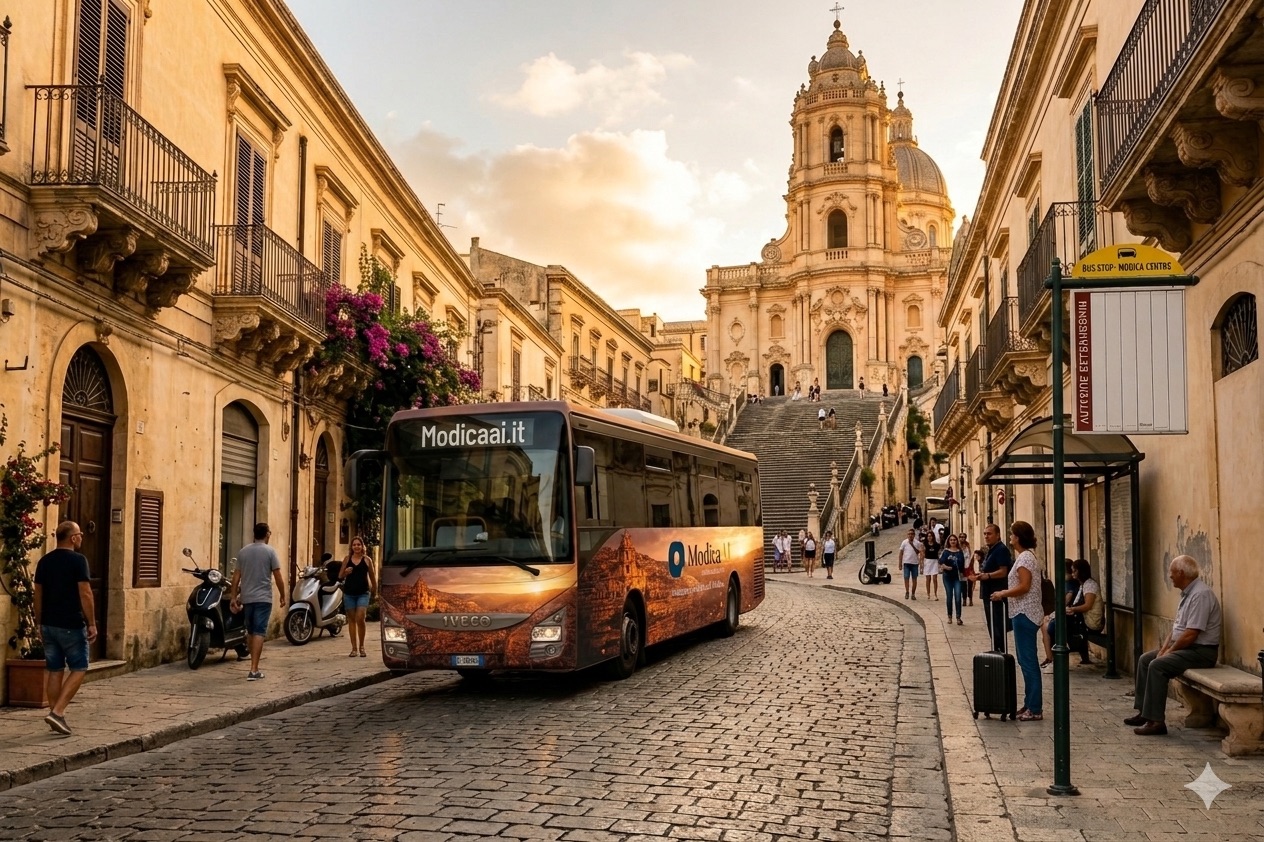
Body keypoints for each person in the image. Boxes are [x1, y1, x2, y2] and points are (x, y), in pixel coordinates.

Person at [1126, 555, 1220, 736]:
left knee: (1157, 665)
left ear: (1181, 573)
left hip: (1201, 652)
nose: (1169, 575)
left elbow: (1192, 634)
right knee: (1146, 659)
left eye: (1171, 572)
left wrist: (1168, 653)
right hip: (1187, 648)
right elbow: (1177, 628)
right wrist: (1163, 649)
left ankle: (1156, 722)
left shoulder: (1200, 595)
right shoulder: (1188, 593)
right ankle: (1144, 713)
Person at [32, 521, 97, 736]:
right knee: (79, 667)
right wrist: (92, 623)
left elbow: (38, 595)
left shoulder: (44, 561)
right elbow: (85, 593)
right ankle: (58, 712)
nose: (81, 538)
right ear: (73, 538)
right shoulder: (78, 561)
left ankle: (55, 715)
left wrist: (39, 623)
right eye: (80, 534)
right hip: (70, 624)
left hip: (49, 624)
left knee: (55, 669)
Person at [990, 521, 1044, 721]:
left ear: (1019, 537)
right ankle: (1029, 703)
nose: (1010, 537)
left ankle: (1035, 707)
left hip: (1025, 613)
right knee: (1024, 660)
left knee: (1028, 662)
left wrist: (1003, 593)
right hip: (1022, 612)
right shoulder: (1025, 557)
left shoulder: (1025, 559)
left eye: (1012, 534)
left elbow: (1024, 586)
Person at [229, 522, 287, 681]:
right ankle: (254, 669)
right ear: (267, 534)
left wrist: (234, 597)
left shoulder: (243, 552)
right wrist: (282, 595)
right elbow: (278, 576)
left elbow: (236, 578)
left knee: (251, 630)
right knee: (259, 631)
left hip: (247, 598)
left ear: (254, 534)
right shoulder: (270, 552)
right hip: (263, 598)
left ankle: (252, 665)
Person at [1042, 558, 1103, 669]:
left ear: (1081, 571)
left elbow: (1088, 605)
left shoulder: (1090, 585)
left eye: (1074, 571)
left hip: (1090, 621)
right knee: (1053, 624)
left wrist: (1073, 610)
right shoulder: (1083, 584)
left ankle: (1054, 659)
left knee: (1053, 627)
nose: (1072, 573)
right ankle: (1053, 658)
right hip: (1082, 618)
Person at [969, 523, 1012, 651]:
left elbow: (1003, 571)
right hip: (989, 594)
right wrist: (980, 576)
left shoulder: (1001, 549)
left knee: (997, 627)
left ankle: (1000, 653)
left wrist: (987, 576)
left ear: (997, 535)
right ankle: (996, 651)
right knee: (993, 627)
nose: (986, 536)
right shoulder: (992, 549)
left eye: (989, 534)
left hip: (996, 595)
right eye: (985, 534)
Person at [338, 535, 377, 658]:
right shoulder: (347, 559)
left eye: (358, 544)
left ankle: (362, 646)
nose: (356, 547)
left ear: (362, 546)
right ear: (351, 547)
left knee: (360, 617)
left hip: (363, 593)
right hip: (349, 593)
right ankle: (354, 648)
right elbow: (340, 576)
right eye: (354, 545)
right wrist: (346, 572)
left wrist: (375, 591)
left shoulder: (367, 560)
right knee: (352, 620)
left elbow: (372, 576)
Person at [939, 534, 965, 624]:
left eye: (954, 540)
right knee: (949, 596)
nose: (953, 541)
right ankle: (949, 616)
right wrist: (945, 567)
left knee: (958, 596)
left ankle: (958, 617)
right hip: (947, 577)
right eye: (951, 540)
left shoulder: (960, 552)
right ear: (948, 541)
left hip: (957, 577)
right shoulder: (946, 552)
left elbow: (962, 565)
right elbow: (941, 561)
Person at [899, 528, 923, 600]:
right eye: (909, 534)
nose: (910, 535)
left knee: (914, 579)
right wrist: (900, 563)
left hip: (914, 563)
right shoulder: (904, 542)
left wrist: (912, 545)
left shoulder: (917, 543)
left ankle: (913, 593)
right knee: (906, 578)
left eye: (911, 534)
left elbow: (919, 552)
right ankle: (907, 591)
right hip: (906, 563)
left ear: (914, 535)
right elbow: (901, 553)